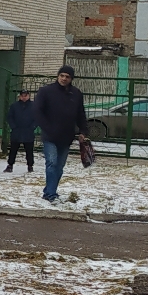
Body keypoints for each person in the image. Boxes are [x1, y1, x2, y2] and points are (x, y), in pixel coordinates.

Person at [33, 65, 89, 203]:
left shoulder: (76, 94)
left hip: (66, 136)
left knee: (59, 167)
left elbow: (80, 114)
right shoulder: (46, 91)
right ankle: (51, 195)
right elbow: (37, 111)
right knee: (51, 163)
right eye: (62, 75)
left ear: (71, 79)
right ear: (58, 76)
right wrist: (47, 128)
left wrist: (83, 131)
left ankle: (48, 191)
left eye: (67, 77)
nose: (64, 79)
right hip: (50, 136)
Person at [4, 89, 38, 173]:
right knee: (13, 149)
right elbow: (10, 117)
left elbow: (37, 118)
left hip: (28, 131)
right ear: (20, 96)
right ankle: (10, 165)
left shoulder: (34, 106)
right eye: (22, 95)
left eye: (25, 95)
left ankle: (30, 166)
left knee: (29, 150)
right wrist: (13, 127)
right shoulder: (14, 106)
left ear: (28, 96)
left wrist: (32, 127)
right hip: (17, 131)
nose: (24, 97)